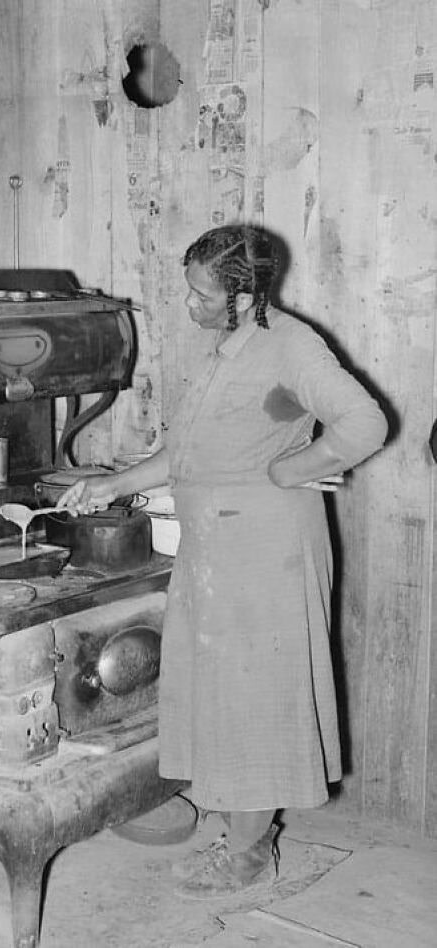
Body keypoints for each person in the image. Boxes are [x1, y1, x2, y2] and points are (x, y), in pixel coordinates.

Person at [56, 224, 388, 898]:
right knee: (222, 695)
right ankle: (240, 830)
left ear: (245, 296)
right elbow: (189, 451)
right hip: (215, 548)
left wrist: (295, 468)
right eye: (190, 293)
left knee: (260, 699)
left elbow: (367, 424)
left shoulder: (293, 347)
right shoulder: (223, 351)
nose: (191, 307)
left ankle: (249, 850)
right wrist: (111, 484)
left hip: (269, 552)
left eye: (203, 297)